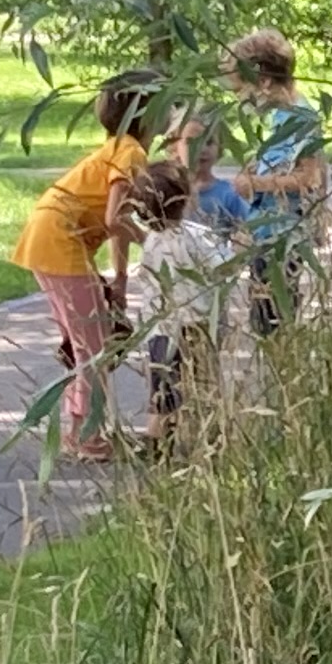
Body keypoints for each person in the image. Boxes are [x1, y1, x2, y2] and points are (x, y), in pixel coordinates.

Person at [14, 70, 159, 460]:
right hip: (60, 239)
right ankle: (87, 437)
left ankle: (83, 430)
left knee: (91, 342)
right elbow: (117, 219)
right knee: (94, 347)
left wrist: (121, 278)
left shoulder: (121, 146)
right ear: (147, 112)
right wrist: (158, 241)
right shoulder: (131, 151)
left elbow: (115, 219)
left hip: (51, 234)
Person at [121, 157, 240, 448]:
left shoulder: (151, 241)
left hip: (162, 326)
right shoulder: (198, 237)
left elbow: (149, 281)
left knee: (163, 382)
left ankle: (157, 437)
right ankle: (213, 435)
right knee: (206, 380)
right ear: (185, 198)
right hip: (198, 323)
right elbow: (224, 268)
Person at [222, 28, 327, 332]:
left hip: (284, 237)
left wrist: (255, 185)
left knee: (274, 321)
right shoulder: (280, 118)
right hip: (266, 233)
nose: (242, 99)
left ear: (264, 82)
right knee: (263, 321)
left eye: (243, 90)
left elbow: (309, 177)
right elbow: (281, 164)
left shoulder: (300, 117)